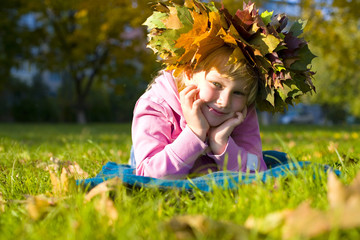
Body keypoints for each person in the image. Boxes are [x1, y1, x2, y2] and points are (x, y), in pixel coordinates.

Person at [131, 0, 316, 179]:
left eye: (238, 92)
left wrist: (221, 144)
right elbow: (150, 175)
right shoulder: (156, 106)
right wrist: (195, 133)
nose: (224, 101)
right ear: (189, 73)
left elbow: (257, 170)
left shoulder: (239, 111)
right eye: (216, 84)